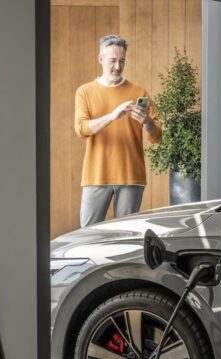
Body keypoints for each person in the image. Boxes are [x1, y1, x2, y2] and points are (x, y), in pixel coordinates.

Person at [74, 34, 162, 227]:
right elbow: (81, 129)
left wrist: (146, 121)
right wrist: (111, 116)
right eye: (112, 61)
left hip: (131, 175)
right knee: (88, 235)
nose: (117, 66)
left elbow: (157, 137)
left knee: (125, 237)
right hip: (96, 174)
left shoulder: (139, 92)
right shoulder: (85, 91)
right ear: (100, 59)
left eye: (122, 61)